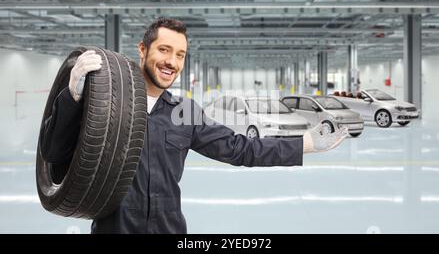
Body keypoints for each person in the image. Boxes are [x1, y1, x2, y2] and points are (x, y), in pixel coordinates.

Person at [40, 17, 348, 234]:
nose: (171, 62)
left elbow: (240, 149)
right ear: (143, 50)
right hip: (115, 228)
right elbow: (54, 153)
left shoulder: (184, 112)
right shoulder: (102, 105)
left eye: (180, 55)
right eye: (164, 50)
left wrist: (305, 143)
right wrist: (75, 94)